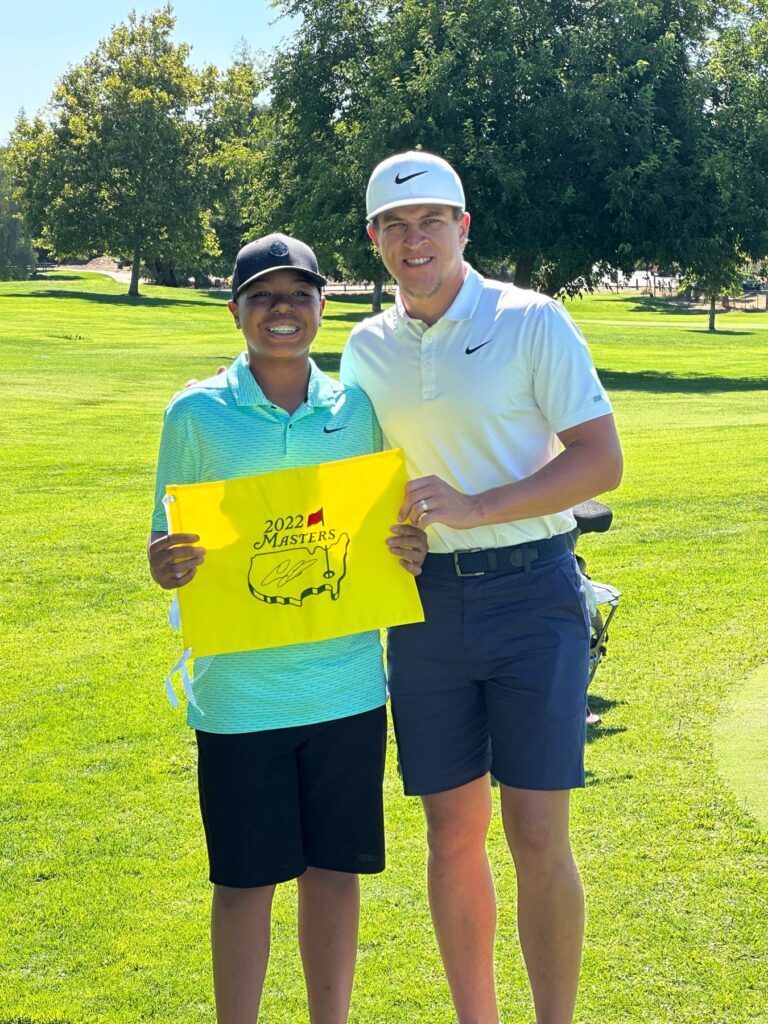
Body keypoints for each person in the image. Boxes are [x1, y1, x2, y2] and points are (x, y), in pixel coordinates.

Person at [338, 151, 624, 1024]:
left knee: (538, 835)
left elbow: (601, 461)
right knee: (451, 837)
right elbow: (357, 481)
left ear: (464, 228)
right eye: (394, 225)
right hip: (424, 614)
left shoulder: (531, 319)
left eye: (431, 221)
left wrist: (477, 506)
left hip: (534, 597)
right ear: (374, 240)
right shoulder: (365, 347)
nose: (413, 239)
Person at [147, 233, 426, 1024]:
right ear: (235, 310)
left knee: (335, 875)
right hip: (240, 695)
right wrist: (164, 563)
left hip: (345, 688)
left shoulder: (355, 407)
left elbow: (378, 532)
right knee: (243, 885)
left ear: (321, 307)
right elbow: (164, 544)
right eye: (264, 296)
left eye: (299, 295)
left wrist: (408, 547)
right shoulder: (195, 414)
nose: (282, 310)